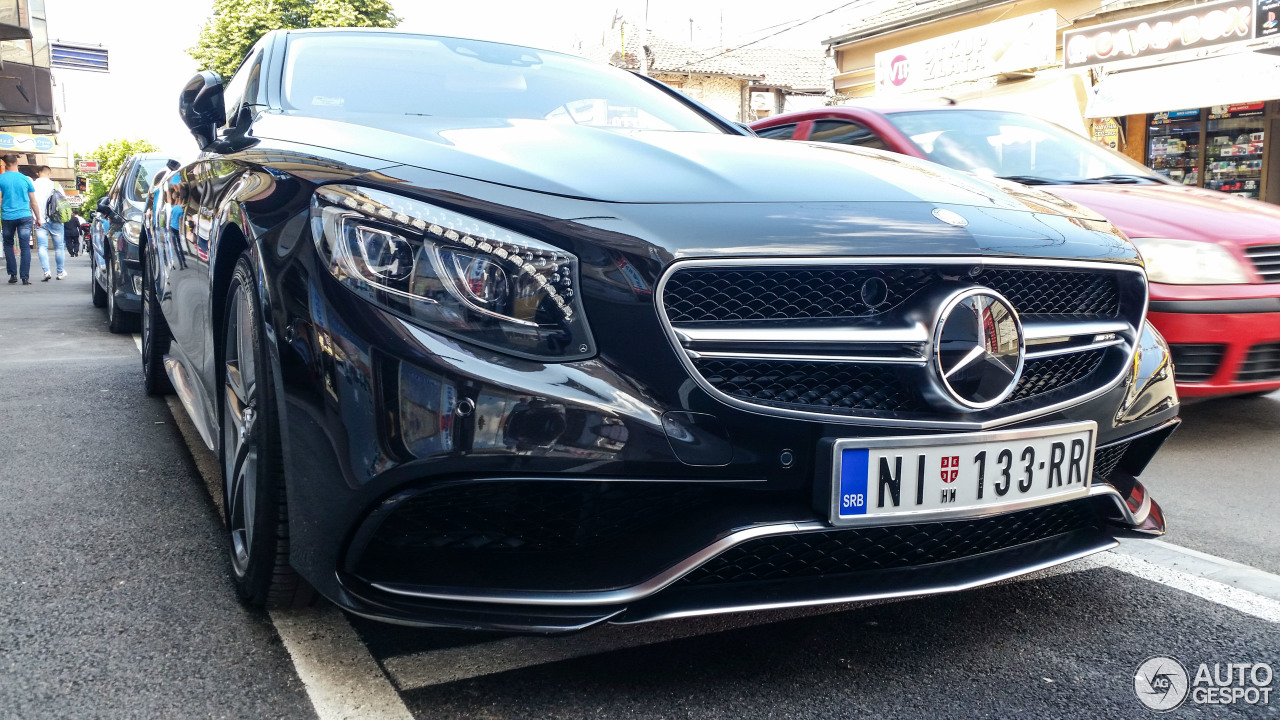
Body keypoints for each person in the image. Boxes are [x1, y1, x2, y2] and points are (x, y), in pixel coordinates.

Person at [0, 154, 41, 285]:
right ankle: (25, 277)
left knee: (8, 244)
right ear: (16, 162)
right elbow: (33, 201)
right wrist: (38, 218)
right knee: (25, 247)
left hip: (7, 217)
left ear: (5, 164)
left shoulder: (1, 179)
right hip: (24, 216)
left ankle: (13, 275)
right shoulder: (25, 179)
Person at [32, 165, 67, 281]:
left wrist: (36, 217)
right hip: (56, 219)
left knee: (42, 246)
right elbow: (63, 202)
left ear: (38, 173)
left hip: (39, 220)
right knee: (59, 247)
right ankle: (60, 272)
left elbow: (30, 202)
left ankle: (46, 271)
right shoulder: (56, 185)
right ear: (49, 174)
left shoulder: (32, 185)